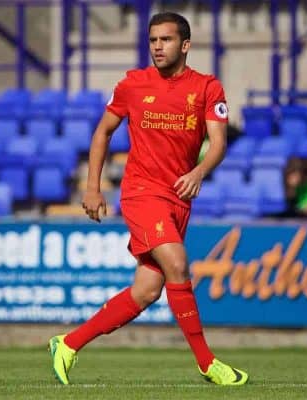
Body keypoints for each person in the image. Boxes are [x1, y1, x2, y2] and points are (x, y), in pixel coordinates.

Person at [48, 12, 249, 386]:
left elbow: (218, 142)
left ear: (185, 45)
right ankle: (207, 362)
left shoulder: (207, 87)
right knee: (177, 262)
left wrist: (199, 172)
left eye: (166, 40)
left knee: (147, 290)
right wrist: (92, 187)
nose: (157, 47)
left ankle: (68, 343)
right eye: (153, 40)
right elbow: (102, 133)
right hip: (141, 192)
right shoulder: (133, 84)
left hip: (179, 197)